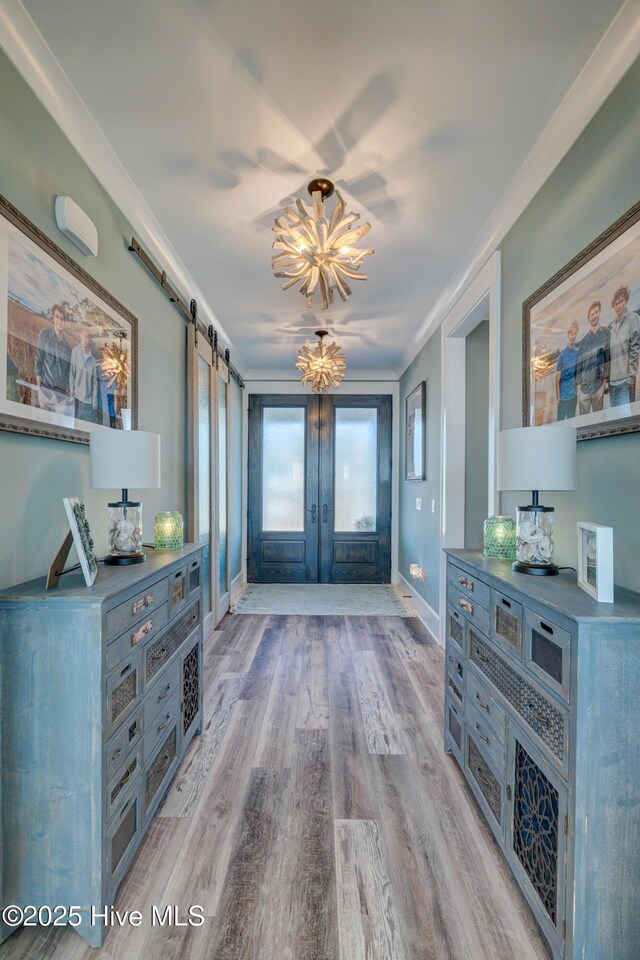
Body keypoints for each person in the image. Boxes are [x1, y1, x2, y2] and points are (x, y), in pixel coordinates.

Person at [34, 304, 73, 416]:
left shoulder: (68, 348)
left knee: (59, 430)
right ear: (53, 318)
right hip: (45, 391)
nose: (60, 321)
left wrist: (67, 391)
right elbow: (39, 359)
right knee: (42, 426)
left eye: (63, 319)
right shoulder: (45, 334)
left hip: (61, 398)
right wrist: (39, 386)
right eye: (57, 317)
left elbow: (67, 373)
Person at [575, 300, 610, 415]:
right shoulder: (584, 341)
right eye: (592, 314)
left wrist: (604, 382)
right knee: (583, 423)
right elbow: (578, 366)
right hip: (584, 389)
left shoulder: (606, 333)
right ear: (588, 318)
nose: (594, 316)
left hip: (598, 387)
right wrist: (579, 388)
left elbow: (608, 360)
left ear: (599, 313)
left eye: (596, 312)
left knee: (598, 421)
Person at [607, 284, 640, 407]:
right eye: (615, 304)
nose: (618, 306)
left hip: (625, 382)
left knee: (627, 421)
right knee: (614, 421)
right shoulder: (611, 326)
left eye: (620, 302)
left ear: (625, 300)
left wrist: (631, 378)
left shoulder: (633, 319)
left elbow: (635, 349)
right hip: (612, 383)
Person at [69, 326, 98, 422]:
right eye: (83, 336)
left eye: (87, 337)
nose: (85, 339)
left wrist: (94, 401)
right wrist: (72, 394)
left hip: (89, 403)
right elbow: (72, 374)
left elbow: (94, 383)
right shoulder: (75, 352)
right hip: (77, 399)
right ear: (80, 336)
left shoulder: (93, 360)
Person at [555, 319, 579, 420]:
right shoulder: (562, 356)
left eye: (574, 334)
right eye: (571, 334)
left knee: (571, 424)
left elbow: (577, 375)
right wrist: (558, 400)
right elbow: (557, 381)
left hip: (573, 398)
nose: (572, 336)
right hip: (563, 399)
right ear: (567, 335)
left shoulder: (578, 352)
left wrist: (576, 393)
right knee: (560, 425)